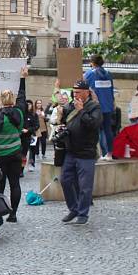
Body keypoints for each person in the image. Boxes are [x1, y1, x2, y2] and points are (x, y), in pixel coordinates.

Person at [0, 66, 29, 223]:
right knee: (15, 183)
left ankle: (0, 211)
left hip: (0, 156)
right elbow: (22, 97)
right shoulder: (19, 112)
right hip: (16, 153)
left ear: (0, 101)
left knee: (0, 185)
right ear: (12, 100)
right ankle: (14, 214)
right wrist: (23, 78)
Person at [59, 80, 103, 225]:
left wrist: (81, 110)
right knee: (65, 180)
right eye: (74, 92)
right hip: (70, 150)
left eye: (78, 92)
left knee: (85, 186)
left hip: (86, 152)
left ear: (86, 92)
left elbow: (93, 125)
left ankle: (83, 213)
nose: (75, 94)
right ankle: (74, 208)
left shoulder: (94, 107)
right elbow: (64, 122)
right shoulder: (70, 105)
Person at [83, 54, 115, 160]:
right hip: (108, 105)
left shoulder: (89, 74)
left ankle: (97, 152)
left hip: (95, 106)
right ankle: (109, 153)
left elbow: (83, 86)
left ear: (92, 63)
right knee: (107, 130)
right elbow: (111, 90)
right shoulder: (108, 74)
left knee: (94, 130)